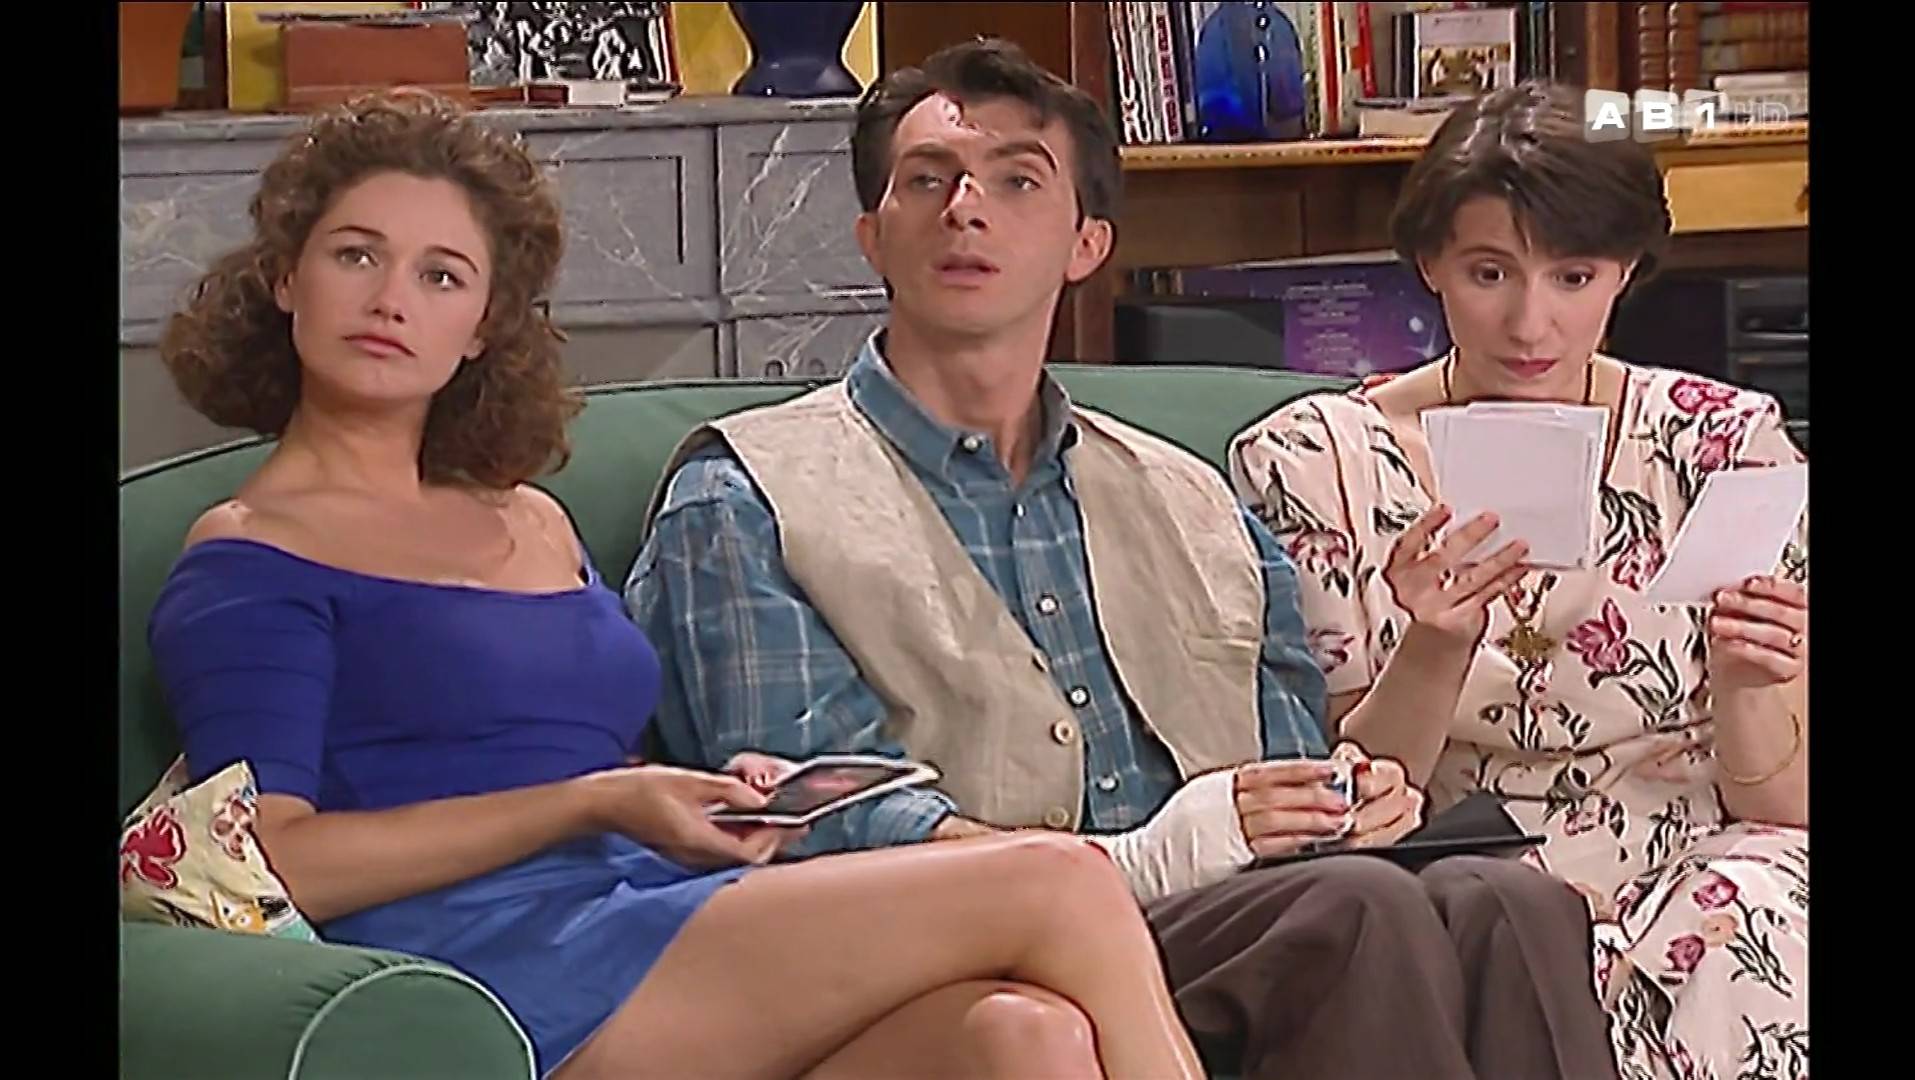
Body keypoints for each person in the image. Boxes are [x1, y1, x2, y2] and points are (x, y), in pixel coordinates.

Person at [145, 87, 1212, 1080]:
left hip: (650, 902)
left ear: (480, 329)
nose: (390, 301)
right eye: (355, 255)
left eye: (441, 276)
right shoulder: (251, 554)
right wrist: (593, 804)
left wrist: (716, 792)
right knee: (1058, 879)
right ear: (285, 278)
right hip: (482, 959)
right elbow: (275, 858)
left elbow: (577, 745)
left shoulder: (532, 520)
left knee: (1021, 1037)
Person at [629, 40, 1618, 1080]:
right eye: (927, 181)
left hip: (1236, 920)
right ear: (872, 237)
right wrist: (1145, 858)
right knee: (1356, 909)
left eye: (1016, 181)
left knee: (1505, 899)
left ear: (1086, 243)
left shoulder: (1192, 497)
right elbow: (818, 817)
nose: (965, 209)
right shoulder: (745, 497)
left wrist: (1347, 796)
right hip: (970, 961)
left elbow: (1287, 761)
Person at [1226, 81, 1809, 1080]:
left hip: (1691, 865)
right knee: (1478, 938)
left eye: (1573, 277)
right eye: (1489, 272)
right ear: (1431, 266)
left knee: (1756, 907)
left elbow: (1781, 806)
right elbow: (1342, 804)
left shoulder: (1720, 445)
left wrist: (1748, 684)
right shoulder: (1317, 460)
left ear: (1624, 272)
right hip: (1451, 877)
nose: (1530, 324)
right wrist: (1435, 644)